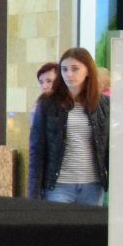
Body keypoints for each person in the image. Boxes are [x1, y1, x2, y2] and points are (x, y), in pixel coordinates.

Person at [29, 46, 108, 205]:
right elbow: (37, 149)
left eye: (75, 69)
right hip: (58, 186)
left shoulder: (103, 104)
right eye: (64, 69)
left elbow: (108, 148)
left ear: (88, 71)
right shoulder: (47, 103)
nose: (69, 74)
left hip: (92, 186)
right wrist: (33, 193)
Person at [26, 60, 58, 199]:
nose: (44, 86)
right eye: (41, 82)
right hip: (49, 174)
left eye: (49, 81)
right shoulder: (39, 106)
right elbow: (36, 146)